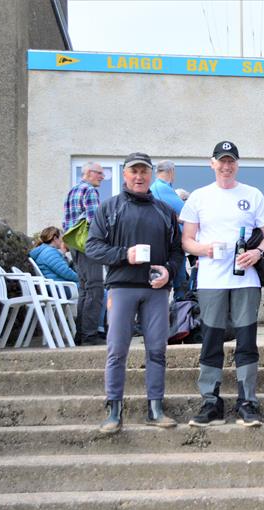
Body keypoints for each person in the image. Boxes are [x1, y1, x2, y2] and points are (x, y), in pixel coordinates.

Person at [86, 152, 184, 434]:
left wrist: (169, 271)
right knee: (117, 350)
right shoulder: (110, 208)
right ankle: (113, 410)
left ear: (151, 175)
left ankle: (155, 408)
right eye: (134, 172)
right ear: (125, 175)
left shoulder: (165, 211)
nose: (139, 176)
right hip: (122, 287)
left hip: (155, 290)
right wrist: (123, 255)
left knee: (157, 350)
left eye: (144, 171)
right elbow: (93, 246)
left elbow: (178, 251)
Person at [180, 141, 264, 428]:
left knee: (247, 339)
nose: (226, 166)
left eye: (231, 161)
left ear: (237, 164)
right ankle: (211, 402)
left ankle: (247, 401)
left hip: (246, 279)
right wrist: (203, 249)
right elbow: (186, 240)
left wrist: (258, 252)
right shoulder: (198, 197)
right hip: (211, 280)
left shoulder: (253, 194)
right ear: (212, 164)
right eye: (221, 161)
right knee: (211, 340)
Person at [63, 162, 106, 346]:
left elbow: (65, 223)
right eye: (100, 173)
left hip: (75, 245)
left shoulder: (72, 191)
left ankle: (80, 335)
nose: (102, 177)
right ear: (88, 173)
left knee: (84, 289)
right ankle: (90, 336)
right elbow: (95, 221)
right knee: (95, 288)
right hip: (89, 245)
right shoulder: (89, 191)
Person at [150, 160, 187, 301]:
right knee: (179, 282)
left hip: (168, 244)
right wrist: (179, 218)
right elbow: (187, 213)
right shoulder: (161, 188)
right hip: (171, 246)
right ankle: (180, 317)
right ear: (171, 172)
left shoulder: (159, 188)